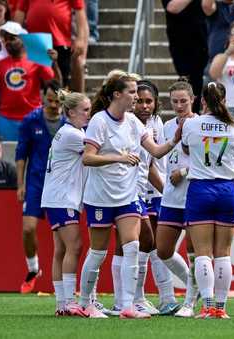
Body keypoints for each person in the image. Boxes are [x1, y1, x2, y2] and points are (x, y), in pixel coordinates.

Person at [77, 71, 181, 319]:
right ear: (117, 95)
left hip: (128, 196)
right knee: (99, 252)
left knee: (133, 247)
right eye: (132, 92)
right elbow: (88, 157)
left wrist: (175, 140)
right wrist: (119, 157)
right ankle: (84, 303)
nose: (136, 97)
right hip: (100, 197)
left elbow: (155, 151)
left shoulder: (134, 122)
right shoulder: (100, 121)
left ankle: (127, 306)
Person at [181, 82, 234, 319]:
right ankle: (220, 308)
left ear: (202, 101)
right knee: (224, 253)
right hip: (227, 190)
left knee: (203, 253)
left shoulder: (191, 124)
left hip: (200, 189)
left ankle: (206, 307)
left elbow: (186, 150)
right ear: (224, 101)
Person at [39, 90, 91, 317]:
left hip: (55, 196)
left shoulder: (67, 132)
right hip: (62, 198)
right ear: (71, 112)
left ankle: (61, 303)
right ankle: (70, 301)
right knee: (75, 246)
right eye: (86, 110)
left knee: (61, 249)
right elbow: (96, 152)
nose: (89, 115)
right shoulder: (73, 135)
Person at [155, 79, 200, 318]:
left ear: (192, 100)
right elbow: (163, 156)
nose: (180, 105)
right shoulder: (167, 125)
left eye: (184, 101)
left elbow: (212, 165)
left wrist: (184, 172)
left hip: (195, 195)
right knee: (162, 250)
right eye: (175, 101)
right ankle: (198, 285)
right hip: (171, 197)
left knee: (194, 252)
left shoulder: (202, 125)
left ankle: (190, 302)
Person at [15, 80, 64, 294]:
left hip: (62, 183)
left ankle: (65, 281)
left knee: (63, 236)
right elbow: (21, 154)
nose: (53, 104)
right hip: (35, 182)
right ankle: (33, 269)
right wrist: (20, 184)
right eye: (50, 99)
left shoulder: (70, 121)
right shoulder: (31, 120)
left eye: (57, 100)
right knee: (28, 228)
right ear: (43, 97)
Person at [0, 21, 61, 141]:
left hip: (33, 117)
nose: (8, 42)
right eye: (5, 39)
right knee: (7, 157)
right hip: (6, 120)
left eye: (12, 38)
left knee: (35, 156)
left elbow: (56, 86)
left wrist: (55, 63)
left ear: (23, 39)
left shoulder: (37, 61)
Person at [14, 0, 89, 92]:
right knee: (36, 84)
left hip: (61, 41)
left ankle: (61, 105)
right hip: (36, 42)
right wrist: (15, 35)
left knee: (60, 86)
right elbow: (20, 11)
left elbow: (80, 11)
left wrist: (80, 38)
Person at [163, 0, 208, 112]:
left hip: (202, 37)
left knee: (199, 81)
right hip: (180, 42)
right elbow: (172, 7)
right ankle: (188, 116)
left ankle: (197, 115)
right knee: (188, 80)